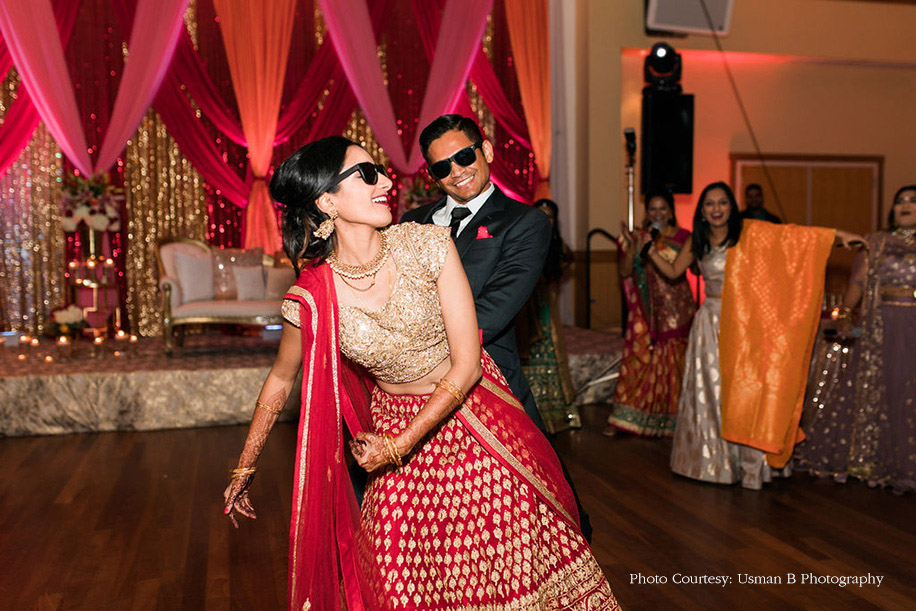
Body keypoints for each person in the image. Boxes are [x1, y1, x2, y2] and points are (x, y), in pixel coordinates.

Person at [222, 136, 619, 610]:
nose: (386, 183)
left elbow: (468, 363)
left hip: (475, 422)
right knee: (396, 572)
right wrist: (245, 465)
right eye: (368, 175)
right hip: (391, 429)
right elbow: (282, 378)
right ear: (327, 201)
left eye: (380, 172)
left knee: (497, 567)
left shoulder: (427, 245)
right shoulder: (312, 295)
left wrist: (401, 445)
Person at [400, 115, 593, 540]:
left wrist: (407, 349)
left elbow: (493, 311)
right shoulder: (411, 224)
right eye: (442, 167)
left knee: (529, 513)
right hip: (411, 391)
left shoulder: (525, 223)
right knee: (430, 516)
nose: (456, 171)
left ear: (485, 151)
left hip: (489, 380)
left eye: (464, 156)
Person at [638, 182, 864, 489]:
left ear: (731, 207)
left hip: (744, 324)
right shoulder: (697, 240)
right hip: (709, 324)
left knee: (745, 394)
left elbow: (796, 238)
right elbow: (674, 271)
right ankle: (714, 464)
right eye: (709, 204)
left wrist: (838, 236)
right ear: (702, 211)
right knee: (711, 392)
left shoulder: (748, 234)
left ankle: (751, 466)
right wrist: (650, 250)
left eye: (722, 203)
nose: (716, 209)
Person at [795, 185, 916, 494]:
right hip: (884, 327)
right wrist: (846, 315)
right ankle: (875, 458)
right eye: (900, 201)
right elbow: (858, 283)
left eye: (913, 201)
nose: (905, 205)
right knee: (886, 388)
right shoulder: (875, 243)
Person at [606, 191, 695, 437]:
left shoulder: (683, 238)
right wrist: (634, 246)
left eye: (663, 208)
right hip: (646, 311)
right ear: (647, 212)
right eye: (653, 209)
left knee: (675, 366)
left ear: (671, 211)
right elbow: (625, 272)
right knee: (639, 359)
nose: (658, 214)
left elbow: (681, 270)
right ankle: (628, 418)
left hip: (676, 311)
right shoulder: (639, 237)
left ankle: (673, 422)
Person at [516, 198, 580, 433]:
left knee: (550, 351)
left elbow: (567, 261)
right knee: (527, 353)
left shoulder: (557, 246)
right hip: (526, 308)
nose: (545, 220)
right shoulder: (523, 242)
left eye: (550, 216)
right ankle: (530, 416)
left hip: (546, 307)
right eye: (541, 214)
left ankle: (556, 415)